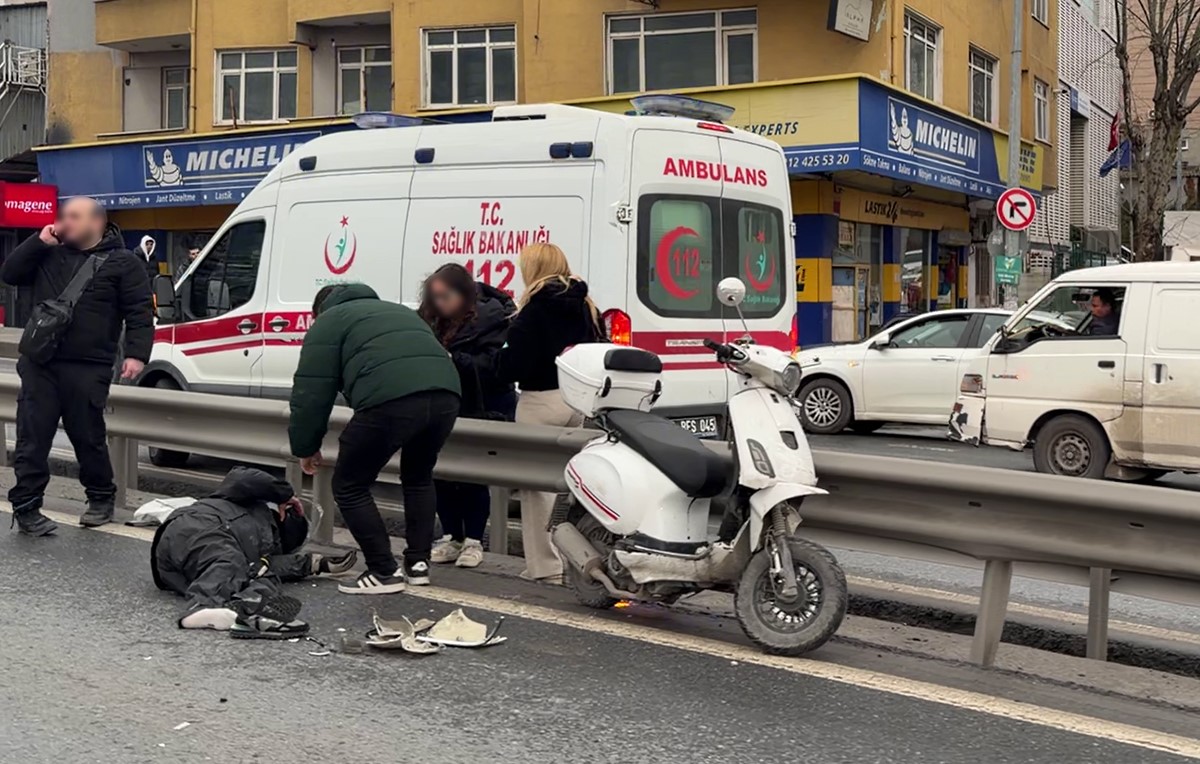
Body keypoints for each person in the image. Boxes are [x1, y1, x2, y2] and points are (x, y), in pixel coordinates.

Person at [288, 283, 462, 595]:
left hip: (391, 401)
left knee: (349, 484)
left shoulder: (329, 322)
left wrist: (305, 447)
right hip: (447, 395)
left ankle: (383, 570)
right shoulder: (399, 311)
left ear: (319, 312)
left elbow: (311, 392)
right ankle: (418, 564)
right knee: (419, 476)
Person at [0, 197, 153, 535]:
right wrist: (37, 242)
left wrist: (136, 354)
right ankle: (26, 507)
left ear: (96, 222)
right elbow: (9, 274)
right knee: (32, 437)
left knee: (88, 436)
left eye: (72, 216)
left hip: (89, 366)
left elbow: (139, 312)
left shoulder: (124, 263)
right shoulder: (48, 252)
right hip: (41, 362)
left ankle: (100, 498)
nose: (63, 221)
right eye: (62, 215)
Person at [489, 243, 605, 583]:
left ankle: (545, 567)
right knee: (568, 488)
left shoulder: (533, 310)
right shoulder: (586, 304)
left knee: (537, 491)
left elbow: (515, 362)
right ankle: (574, 559)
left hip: (540, 401)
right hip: (576, 401)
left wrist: (494, 362)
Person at [151, 466, 357, 638]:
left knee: (261, 575)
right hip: (198, 527)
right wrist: (285, 494)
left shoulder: (261, 550)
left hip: (178, 567)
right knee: (229, 561)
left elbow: (271, 564)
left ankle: (248, 609)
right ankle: (200, 606)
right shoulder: (243, 501)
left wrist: (315, 564)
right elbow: (241, 476)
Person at [418, 264, 517, 568]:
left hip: (481, 402)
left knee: (473, 476)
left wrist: (454, 359)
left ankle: (474, 538)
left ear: (463, 294)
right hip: (443, 401)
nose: (440, 303)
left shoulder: (492, 319)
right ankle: (451, 535)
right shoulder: (429, 320)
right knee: (442, 472)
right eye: (435, 297)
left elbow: (497, 366)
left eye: (445, 296)